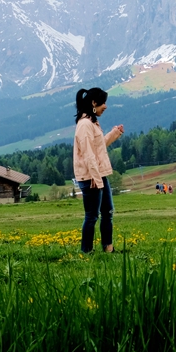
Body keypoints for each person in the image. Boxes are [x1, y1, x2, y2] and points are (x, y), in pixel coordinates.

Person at [73, 87, 123, 253]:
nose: (106, 106)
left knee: (107, 212)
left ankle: (108, 248)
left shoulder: (92, 122)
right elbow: (88, 154)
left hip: (99, 175)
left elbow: (98, 148)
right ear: (94, 103)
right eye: (103, 102)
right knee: (92, 216)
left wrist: (115, 133)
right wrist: (95, 178)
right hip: (91, 177)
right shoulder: (84, 125)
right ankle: (86, 250)